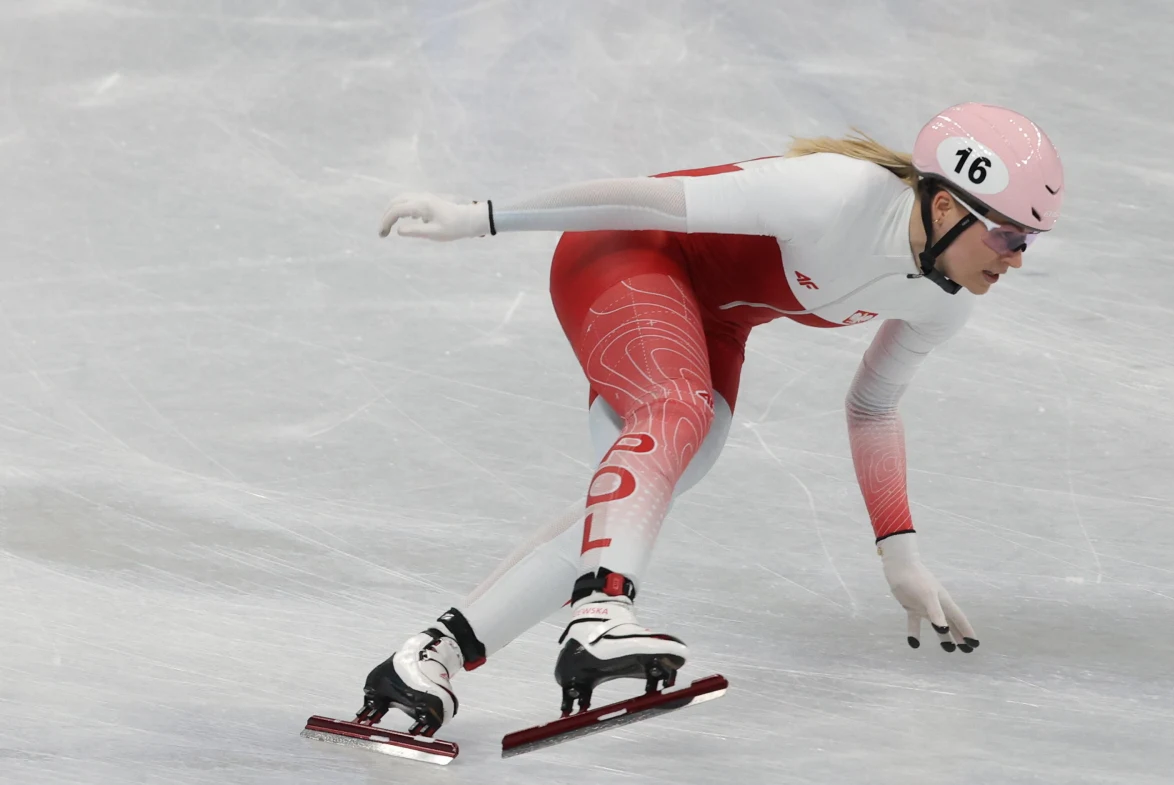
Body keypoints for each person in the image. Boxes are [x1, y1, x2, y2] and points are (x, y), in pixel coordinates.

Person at [359, 102, 1065, 733]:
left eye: (1029, 242)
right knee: (676, 411)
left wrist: (899, 555)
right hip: (625, 253)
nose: (1018, 260)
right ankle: (601, 615)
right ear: (948, 210)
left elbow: (873, 406)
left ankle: (426, 660)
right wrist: (480, 218)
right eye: (1009, 238)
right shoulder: (834, 193)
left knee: (646, 493)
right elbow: (646, 202)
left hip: (713, 321)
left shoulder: (945, 299)